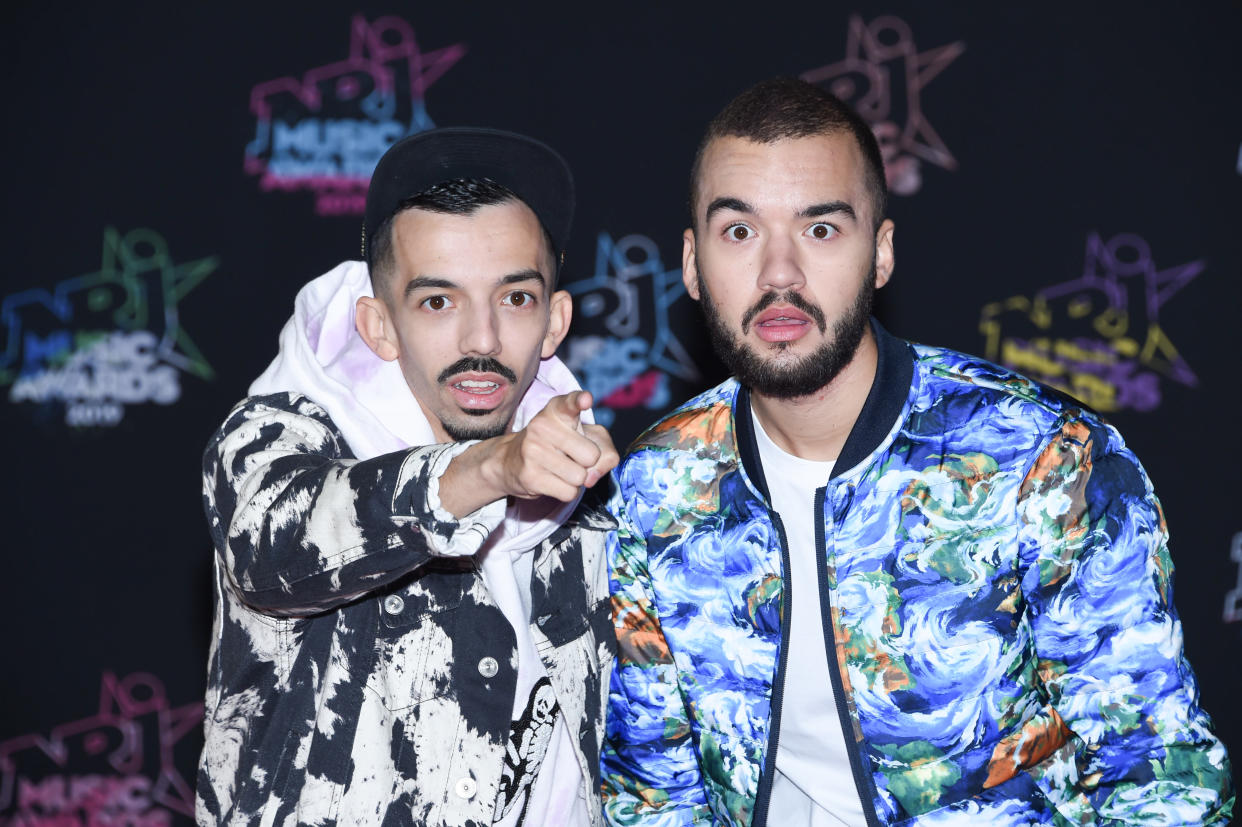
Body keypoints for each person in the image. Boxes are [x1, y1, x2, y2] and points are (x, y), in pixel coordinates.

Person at [601, 78, 1234, 825]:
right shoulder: (655, 488)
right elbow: (653, 795)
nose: (779, 275)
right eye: (739, 231)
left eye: (821, 229)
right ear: (690, 262)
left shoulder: (1043, 461)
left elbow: (1162, 780)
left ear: (881, 253)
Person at [197, 127, 619, 826]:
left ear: (554, 322)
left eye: (514, 298)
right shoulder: (276, 442)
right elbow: (274, 546)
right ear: (379, 324)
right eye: (437, 301)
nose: (480, 340)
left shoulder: (589, 493)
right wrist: (492, 468)